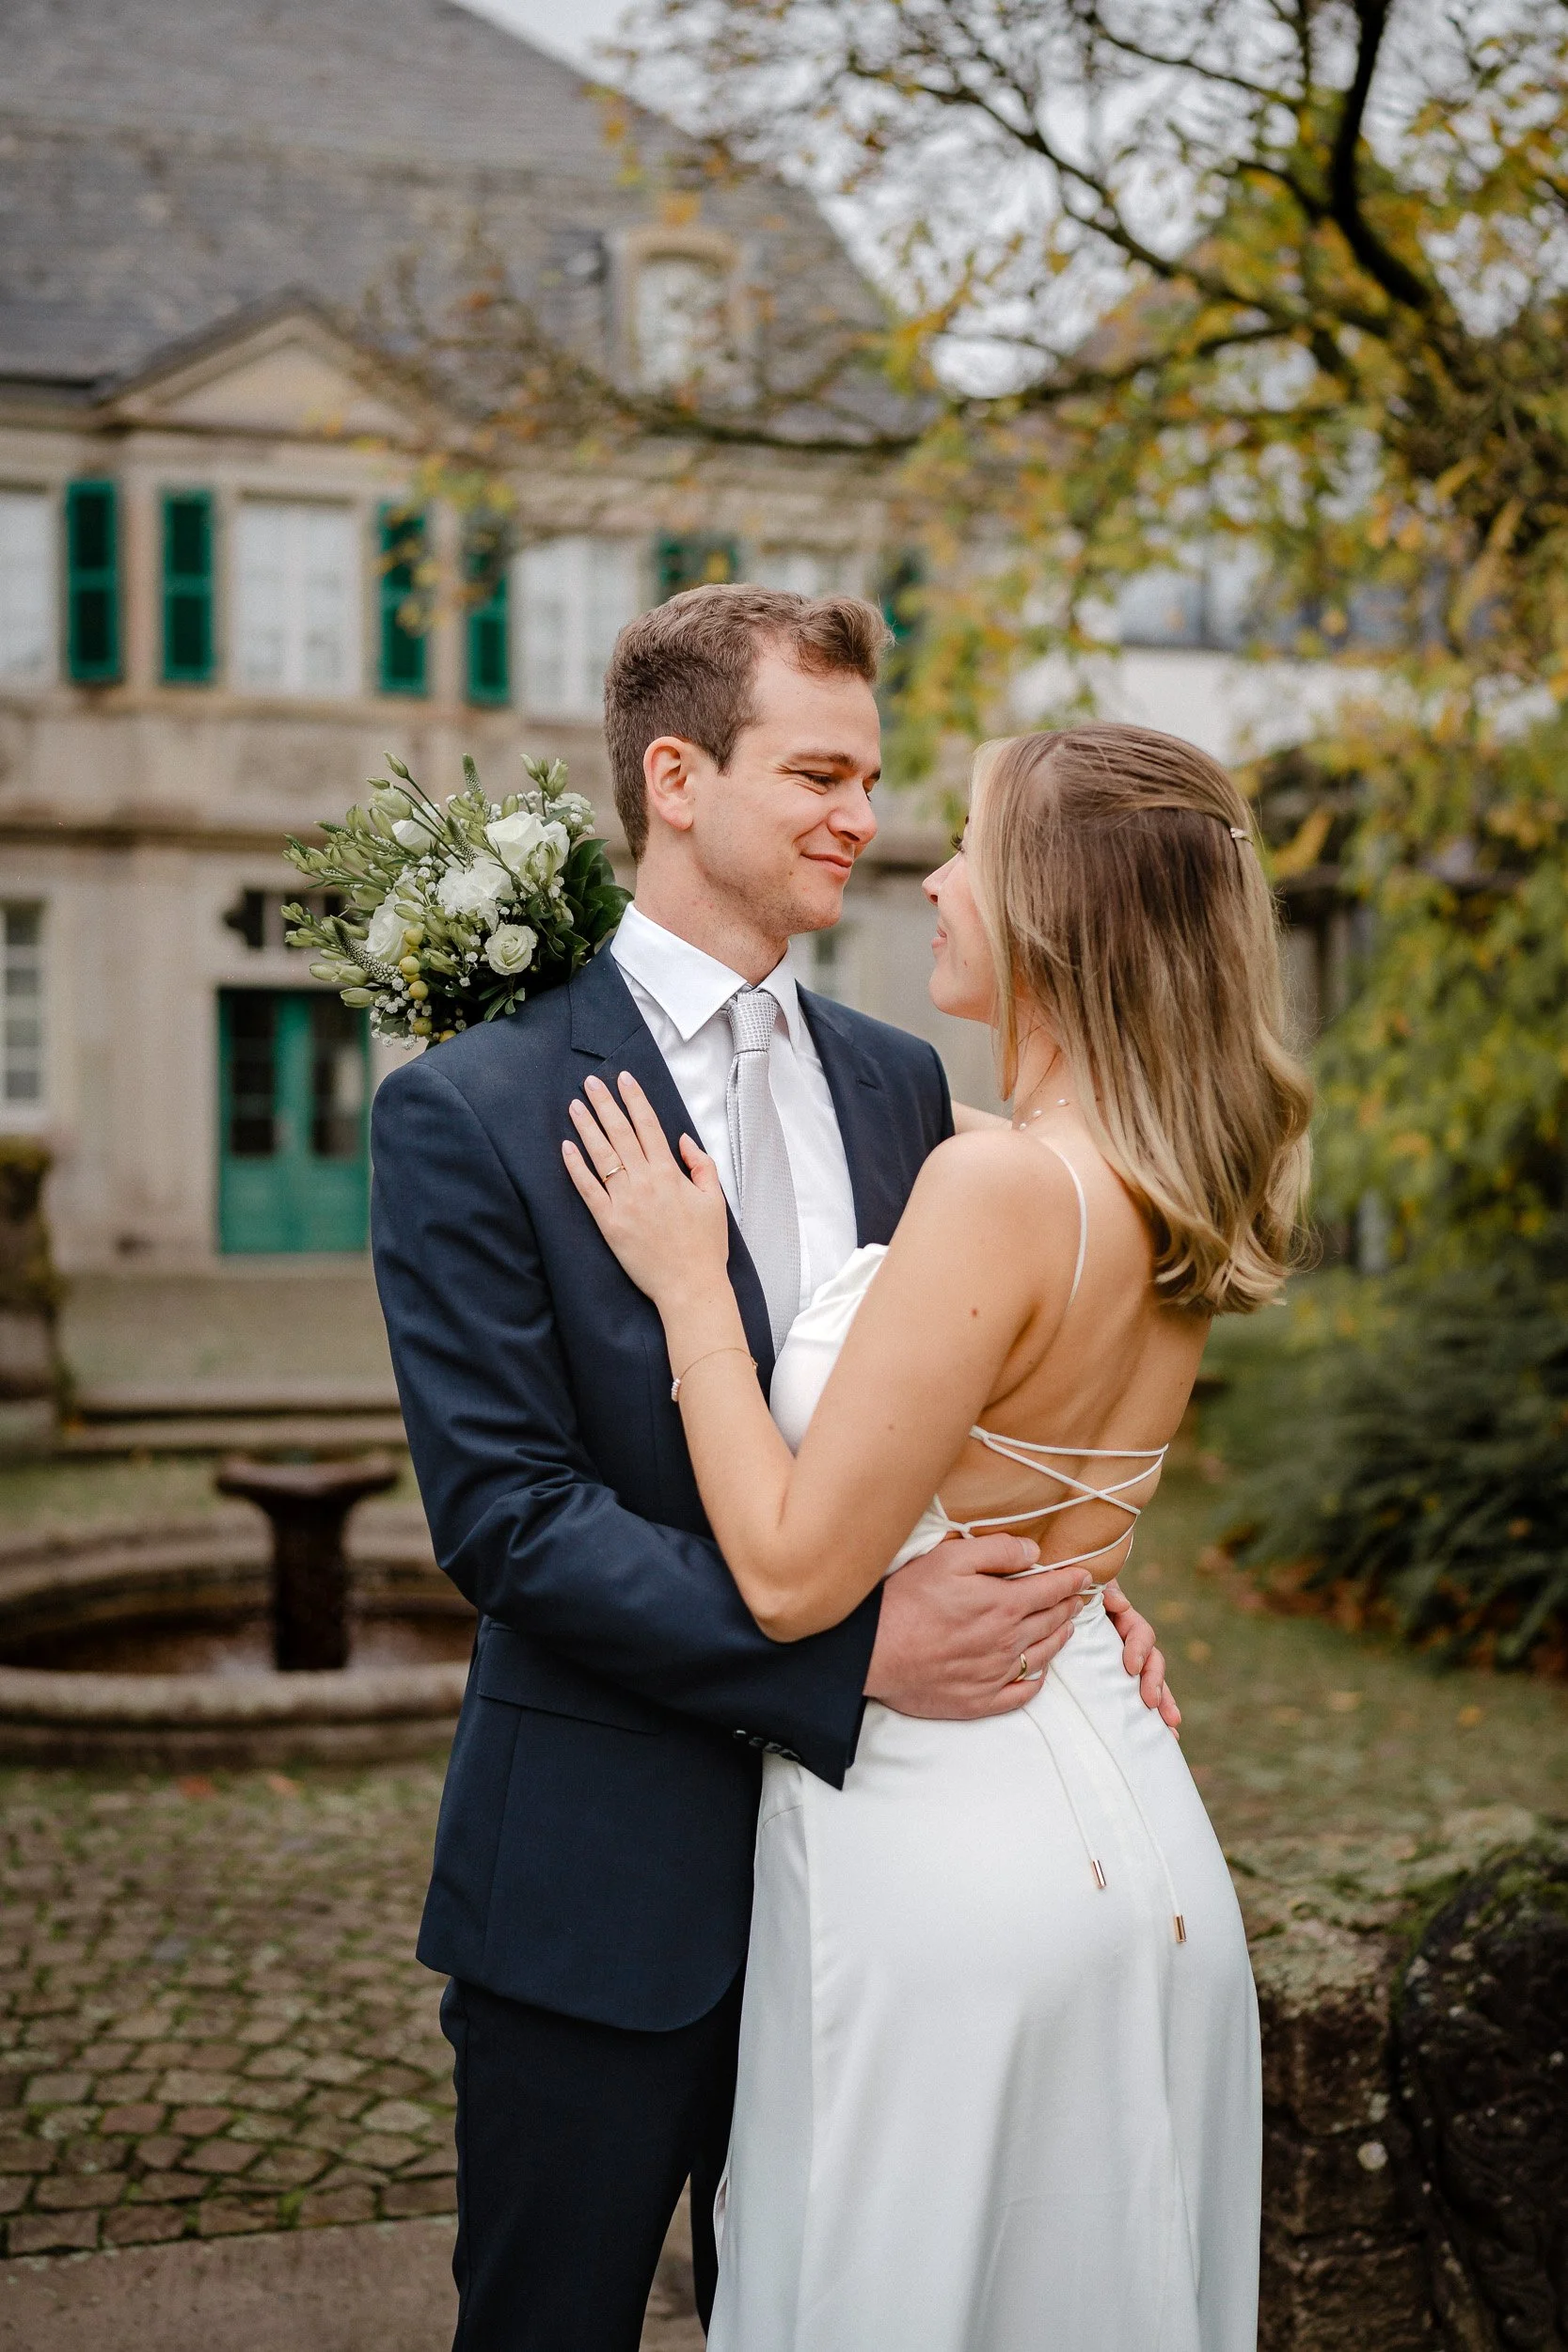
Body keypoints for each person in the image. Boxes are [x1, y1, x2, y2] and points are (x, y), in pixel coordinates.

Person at [370, 588, 1175, 2351]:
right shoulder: (474, 1107)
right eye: (816, 770)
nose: (857, 817)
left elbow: (961, 1414)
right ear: (674, 775)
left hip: (890, 1897)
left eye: (873, 777)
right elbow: (505, 1520)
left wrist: (1074, 1579)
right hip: (598, 1892)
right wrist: (846, 1652)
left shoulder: (907, 1091)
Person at [562, 716, 1313, 2351]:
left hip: (937, 1848)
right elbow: (1040, 1476)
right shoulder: (1154, 1177)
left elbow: (783, 1571)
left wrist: (693, 1284)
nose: (930, 871)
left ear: (1053, 907)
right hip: (1128, 1816)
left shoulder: (1000, 1194)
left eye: (968, 844)